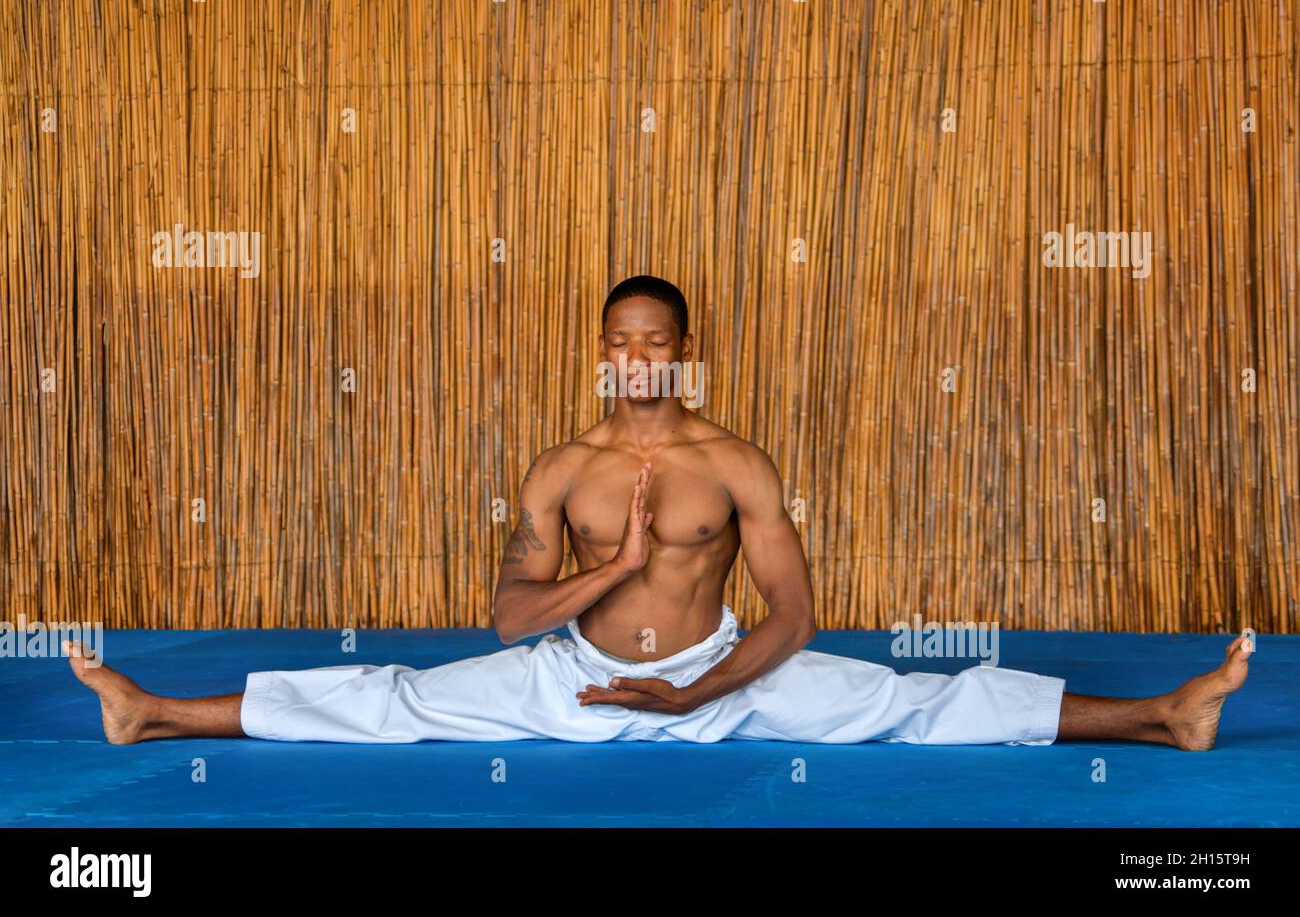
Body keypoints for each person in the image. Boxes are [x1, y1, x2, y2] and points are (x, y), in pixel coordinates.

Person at [65, 276, 1250, 749]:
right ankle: (153, 712)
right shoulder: (558, 468)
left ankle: (1163, 714)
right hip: (570, 679)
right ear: (602, 355)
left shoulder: (734, 462)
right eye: (620, 344)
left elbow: (794, 611)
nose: (637, 359)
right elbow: (505, 619)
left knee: (914, 702)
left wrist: (698, 687)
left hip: (721, 683)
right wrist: (613, 563)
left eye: (657, 343)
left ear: (683, 355)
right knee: (394, 701)